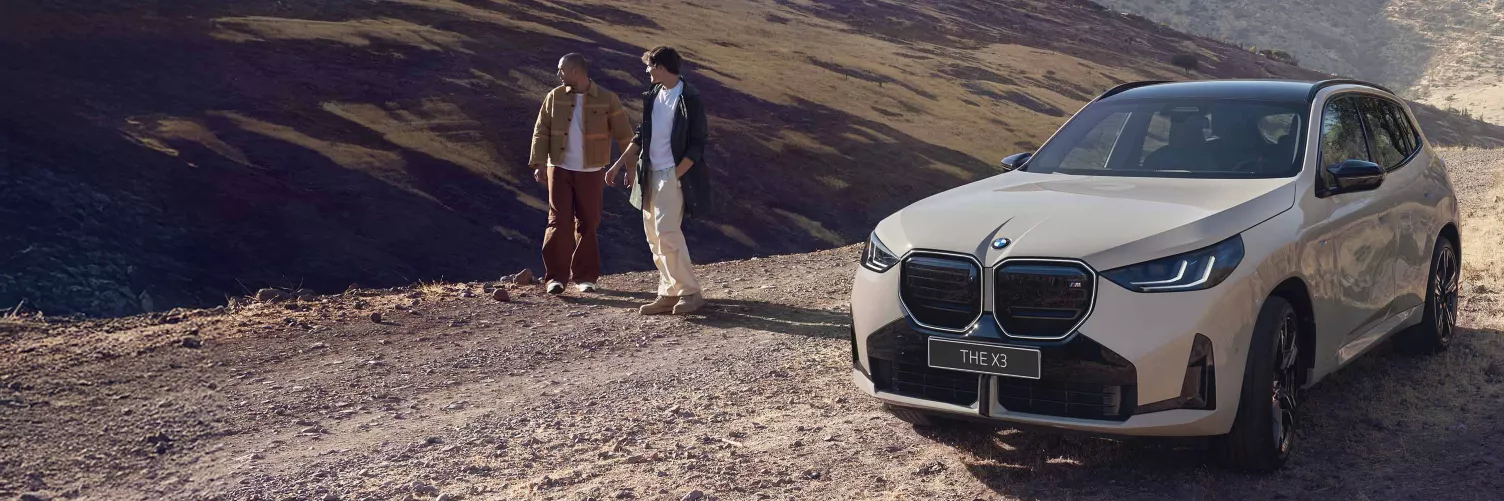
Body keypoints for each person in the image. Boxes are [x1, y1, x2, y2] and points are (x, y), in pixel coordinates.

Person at [606, 46, 712, 315]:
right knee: (653, 236)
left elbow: (697, 144)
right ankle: (669, 292)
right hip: (649, 173)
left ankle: (690, 292)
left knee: (667, 232)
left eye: (650, 66)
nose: (647, 71)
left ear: (662, 68)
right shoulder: (654, 94)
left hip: (673, 174)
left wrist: (676, 174)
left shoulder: (690, 98)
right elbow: (642, 134)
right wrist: (619, 164)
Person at [529, 53, 634, 294]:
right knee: (558, 221)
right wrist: (539, 163)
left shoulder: (607, 99)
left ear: (575, 71)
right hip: (559, 168)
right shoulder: (554, 97)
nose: (558, 74)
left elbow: (625, 135)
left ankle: (585, 278)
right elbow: (541, 130)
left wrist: (630, 167)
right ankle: (555, 278)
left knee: (588, 222)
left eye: (561, 70)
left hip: (591, 171)